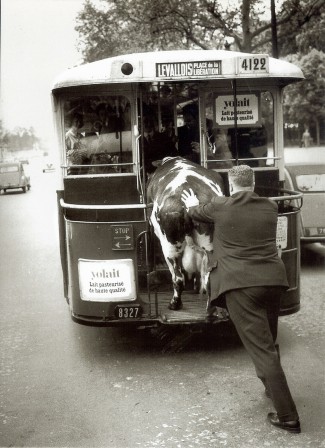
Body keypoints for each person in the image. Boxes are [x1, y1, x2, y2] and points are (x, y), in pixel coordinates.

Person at [181, 165, 301, 433]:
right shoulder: (269, 206)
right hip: (273, 282)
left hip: (240, 286)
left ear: (230, 185)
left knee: (263, 350)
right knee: (268, 340)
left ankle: (288, 416)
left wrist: (191, 205)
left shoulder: (220, 205)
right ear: (254, 183)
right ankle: (272, 387)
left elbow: (195, 212)